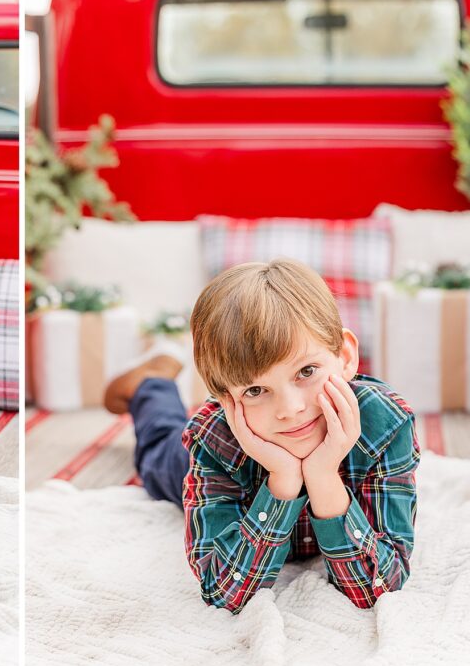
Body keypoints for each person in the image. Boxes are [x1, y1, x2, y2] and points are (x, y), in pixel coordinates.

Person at [104, 258, 419, 613]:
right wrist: (283, 480)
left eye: (306, 371)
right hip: (234, 451)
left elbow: (378, 586)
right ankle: (154, 382)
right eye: (255, 390)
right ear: (227, 400)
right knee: (158, 453)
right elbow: (222, 592)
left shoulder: (385, 423)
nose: (290, 408)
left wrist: (323, 476)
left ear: (345, 357)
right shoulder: (214, 439)